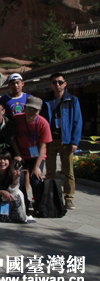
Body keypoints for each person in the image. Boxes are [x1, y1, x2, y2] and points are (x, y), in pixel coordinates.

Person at [40, 73, 82, 210]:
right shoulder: (46, 101)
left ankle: (69, 198)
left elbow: (77, 121)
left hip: (66, 141)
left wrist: (74, 141)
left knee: (68, 171)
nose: (57, 85)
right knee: (50, 171)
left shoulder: (72, 100)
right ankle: (52, 196)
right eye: (54, 82)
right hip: (50, 140)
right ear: (51, 85)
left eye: (60, 82)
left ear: (65, 84)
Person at [12, 96, 52, 210]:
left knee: (36, 180)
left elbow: (43, 146)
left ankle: (39, 206)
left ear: (39, 111)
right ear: (24, 108)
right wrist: (18, 154)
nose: (31, 112)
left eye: (35, 110)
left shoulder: (43, 123)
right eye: (29, 109)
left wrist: (37, 167)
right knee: (19, 179)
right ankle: (22, 204)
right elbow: (13, 139)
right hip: (21, 155)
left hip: (37, 156)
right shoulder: (17, 119)